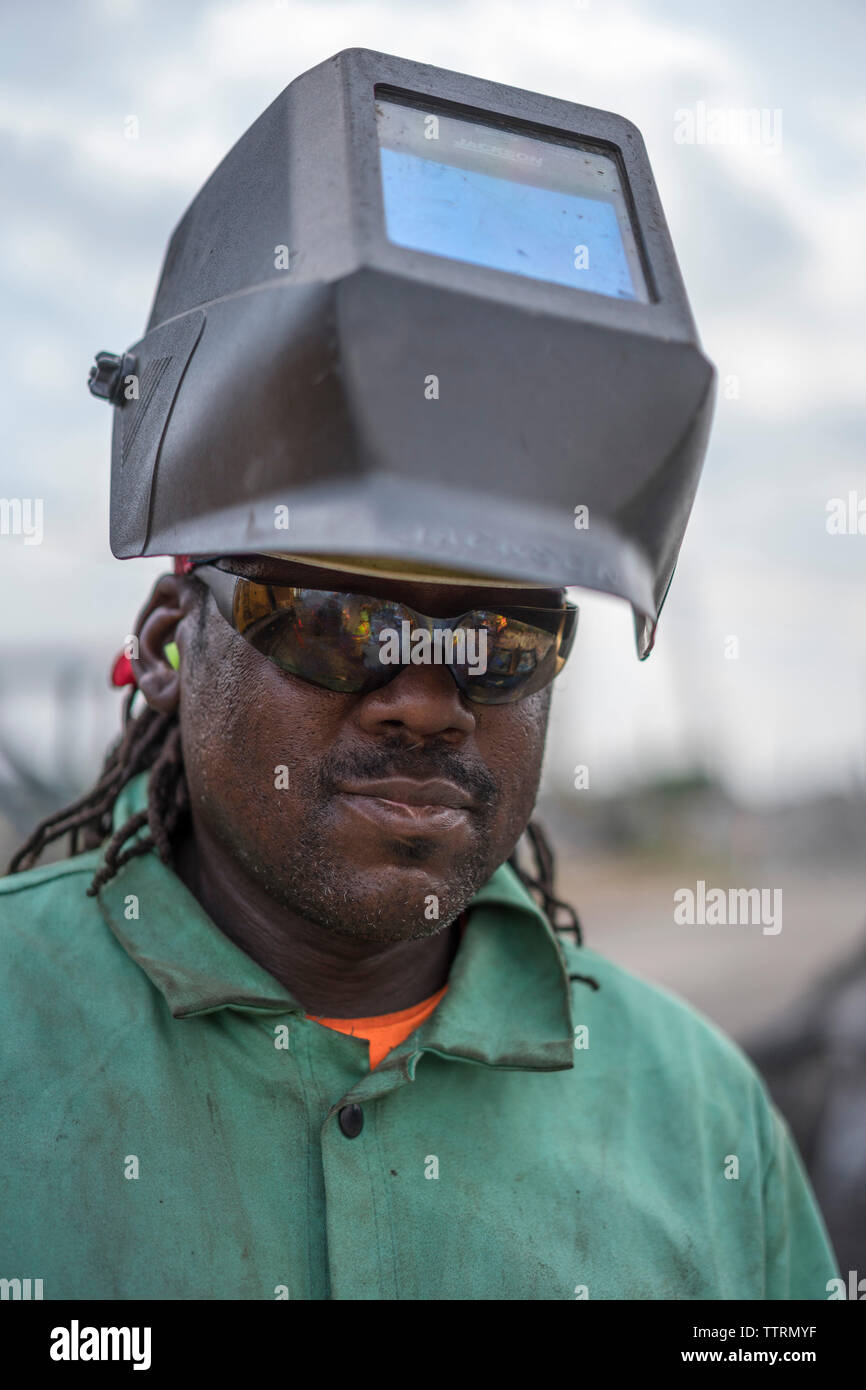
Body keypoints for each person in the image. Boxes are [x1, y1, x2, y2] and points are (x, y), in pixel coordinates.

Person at [0, 49, 839, 1301]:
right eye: (340, 620)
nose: (426, 695)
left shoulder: (701, 1116)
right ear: (173, 642)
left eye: (500, 643)